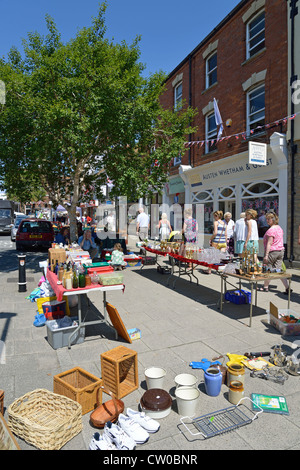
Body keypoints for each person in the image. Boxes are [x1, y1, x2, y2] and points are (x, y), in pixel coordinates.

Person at [260, 212, 291, 294]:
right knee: (278, 271)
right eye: (266, 219)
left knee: (268, 269)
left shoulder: (271, 230)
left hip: (272, 251)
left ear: (273, 220)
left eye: (269, 219)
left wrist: (266, 255)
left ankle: (265, 287)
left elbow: (269, 243)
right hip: (280, 251)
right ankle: (287, 288)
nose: (267, 220)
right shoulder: (279, 228)